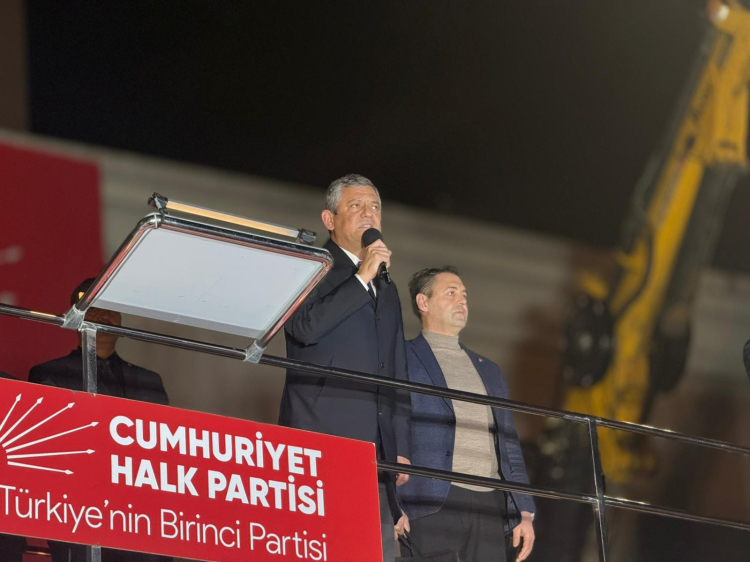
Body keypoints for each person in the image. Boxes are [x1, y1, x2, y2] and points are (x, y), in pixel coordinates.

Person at [278, 174, 412, 562]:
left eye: (375, 207)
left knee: (374, 550)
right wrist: (361, 277)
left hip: (376, 453)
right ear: (329, 219)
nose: (368, 213)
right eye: (356, 205)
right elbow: (303, 328)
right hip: (319, 440)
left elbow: (396, 369)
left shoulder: (387, 287)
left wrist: (401, 446)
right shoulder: (309, 266)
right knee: (322, 548)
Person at [398, 266, 536, 562]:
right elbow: (390, 426)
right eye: (451, 293)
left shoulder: (490, 369)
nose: (462, 300)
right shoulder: (402, 357)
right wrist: (391, 504)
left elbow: (509, 443)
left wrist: (524, 509)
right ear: (423, 302)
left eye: (464, 294)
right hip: (431, 500)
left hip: (490, 505)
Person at [28, 278, 170, 562]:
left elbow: (165, 451)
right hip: (80, 511)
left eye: (111, 307)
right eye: (93, 306)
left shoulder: (150, 381)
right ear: (75, 315)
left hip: (145, 515)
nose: (104, 314)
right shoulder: (49, 374)